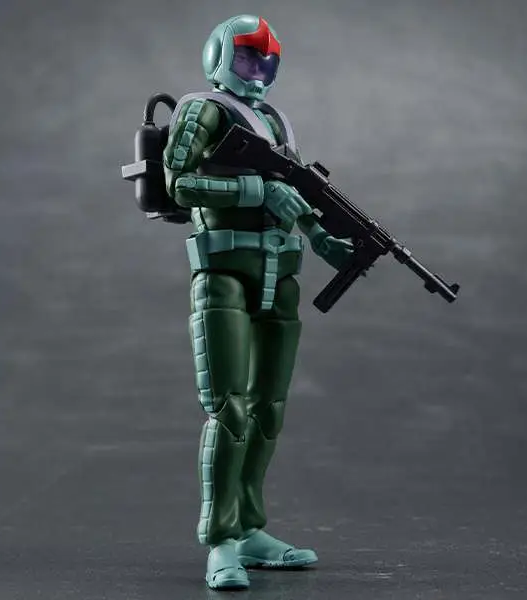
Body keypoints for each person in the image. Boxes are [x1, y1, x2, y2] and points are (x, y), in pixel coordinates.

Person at [163, 14, 354, 590]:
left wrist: (320, 236)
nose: (258, 72)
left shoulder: (274, 120)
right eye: (247, 58)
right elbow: (179, 184)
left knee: (268, 409)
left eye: (267, 61)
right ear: (221, 56)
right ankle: (221, 539)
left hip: (280, 272)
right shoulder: (202, 109)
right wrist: (257, 189)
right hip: (224, 270)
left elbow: (292, 192)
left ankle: (249, 527)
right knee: (229, 408)